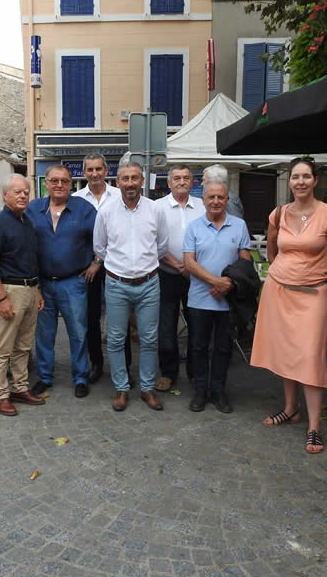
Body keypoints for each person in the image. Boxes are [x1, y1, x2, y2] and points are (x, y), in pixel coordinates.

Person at [250, 157, 327, 454]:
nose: (300, 182)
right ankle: (291, 409)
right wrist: (285, 275)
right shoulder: (277, 213)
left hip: (313, 293)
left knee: (310, 356)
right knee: (285, 352)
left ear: (315, 180)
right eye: (295, 177)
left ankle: (315, 426)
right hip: (279, 290)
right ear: (289, 181)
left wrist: (314, 278)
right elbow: (273, 250)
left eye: (306, 176)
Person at [93, 162, 168, 412]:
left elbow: (162, 246)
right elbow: (100, 247)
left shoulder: (156, 210)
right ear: (117, 183)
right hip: (117, 283)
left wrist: (142, 266)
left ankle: (147, 388)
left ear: (142, 181)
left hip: (149, 284)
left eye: (134, 178)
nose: (130, 183)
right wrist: (122, 267)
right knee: (115, 339)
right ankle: (122, 388)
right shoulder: (106, 212)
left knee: (148, 339)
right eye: (125, 178)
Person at [26, 165, 99, 398]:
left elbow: (103, 237)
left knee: (78, 331)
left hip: (73, 282)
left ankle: (80, 377)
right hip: (42, 283)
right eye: (54, 180)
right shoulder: (33, 209)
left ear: (71, 184)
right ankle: (45, 377)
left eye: (64, 181)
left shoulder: (84, 209)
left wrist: (96, 262)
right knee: (44, 334)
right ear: (46, 183)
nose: (59, 185)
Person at [182, 180, 252, 413]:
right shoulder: (193, 227)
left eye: (220, 197)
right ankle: (201, 391)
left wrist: (229, 283)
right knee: (198, 347)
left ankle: (219, 391)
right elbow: (189, 262)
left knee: (223, 348)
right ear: (203, 200)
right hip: (199, 299)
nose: (215, 201)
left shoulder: (239, 225)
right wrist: (215, 282)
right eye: (210, 197)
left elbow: (245, 261)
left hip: (227, 301)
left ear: (227, 200)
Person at [0, 174, 46, 416]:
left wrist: (37, 290)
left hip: (29, 290)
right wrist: (0, 298)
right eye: (17, 192)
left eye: (26, 192)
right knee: (3, 347)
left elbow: (29, 260)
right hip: (9, 291)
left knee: (23, 346)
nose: (23, 195)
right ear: (5, 195)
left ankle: (19, 388)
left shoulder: (25, 222)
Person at [72, 152, 130, 383]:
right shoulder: (76, 198)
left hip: (117, 263)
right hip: (87, 266)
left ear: (107, 171)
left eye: (99, 169)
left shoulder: (119, 195)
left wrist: (101, 260)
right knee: (92, 316)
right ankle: (96, 363)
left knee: (120, 317)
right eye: (90, 170)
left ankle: (124, 367)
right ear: (84, 172)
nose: (95, 174)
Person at [153, 164, 204, 392]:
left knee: (197, 325)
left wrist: (194, 268)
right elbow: (152, 243)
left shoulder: (202, 207)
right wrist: (177, 265)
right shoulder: (157, 208)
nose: (181, 181)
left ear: (192, 182)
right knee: (166, 326)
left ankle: (195, 372)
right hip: (167, 275)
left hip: (198, 277)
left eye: (186, 178)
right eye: (177, 178)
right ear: (169, 182)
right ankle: (168, 372)